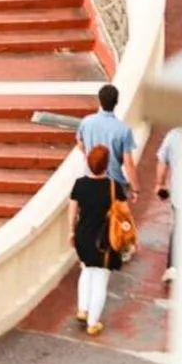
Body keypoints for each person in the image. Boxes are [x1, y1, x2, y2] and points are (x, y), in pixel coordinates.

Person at [69, 142, 125, 337]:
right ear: (107, 165)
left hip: (83, 236)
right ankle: (93, 322)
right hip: (105, 240)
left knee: (86, 270)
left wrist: (71, 232)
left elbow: (73, 211)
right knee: (100, 278)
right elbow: (123, 214)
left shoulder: (80, 184)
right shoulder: (114, 187)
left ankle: (82, 309)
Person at [76, 83, 138, 197]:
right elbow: (128, 163)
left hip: (90, 179)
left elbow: (80, 144)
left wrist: (89, 156)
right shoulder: (124, 129)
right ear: (116, 102)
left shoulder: (86, 122)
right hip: (115, 184)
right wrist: (135, 188)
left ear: (99, 101)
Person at [156, 126, 179, 284]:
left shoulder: (173, 136)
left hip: (180, 193)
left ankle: (173, 267)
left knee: (178, 227)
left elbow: (162, 162)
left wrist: (160, 184)